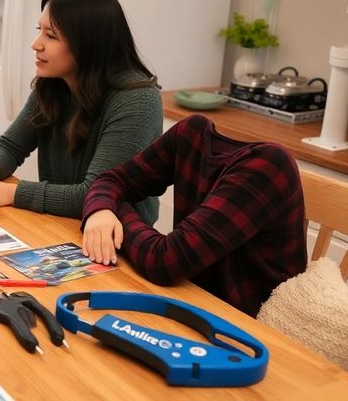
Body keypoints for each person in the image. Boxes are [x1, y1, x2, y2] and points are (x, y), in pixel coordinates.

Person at [0, 0, 161, 223]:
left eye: (51, 36)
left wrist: (12, 192)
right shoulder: (54, 84)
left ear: (88, 43)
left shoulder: (137, 100)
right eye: (39, 31)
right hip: (62, 223)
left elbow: (95, 195)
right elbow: (11, 145)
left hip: (120, 241)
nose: (36, 44)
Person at [81, 115, 307, 316]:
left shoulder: (267, 166)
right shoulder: (191, 133)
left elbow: (163, 261)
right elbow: (111, 180)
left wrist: (113, 210)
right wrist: (102, 210)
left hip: (251, 328)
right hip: (193, 299)